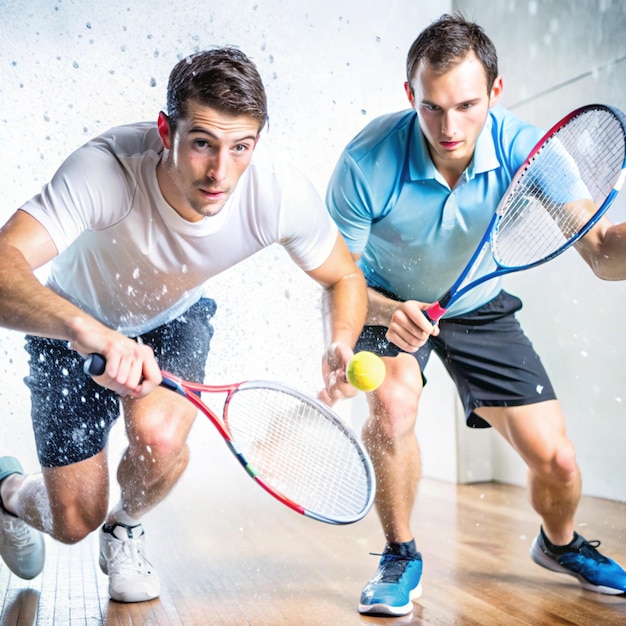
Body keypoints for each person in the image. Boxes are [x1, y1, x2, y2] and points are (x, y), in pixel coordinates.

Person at [0, 47, 367, 603]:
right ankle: (7, 490)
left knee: (162, 438)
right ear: (166, 130)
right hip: (71, 321)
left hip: (173, 319)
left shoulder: (276, 192)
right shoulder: (109, 170)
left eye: (240, 147)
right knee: (74, 518)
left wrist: (340, 340)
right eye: (202, 143)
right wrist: (87, 331)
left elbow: (345, 278)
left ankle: (123, 530)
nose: (220, 171)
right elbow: (5, 266)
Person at [325, 14, 626, 618]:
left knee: (559, 461)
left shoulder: (532, 151)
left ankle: (559, 544)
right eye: (432, 108)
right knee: (392, 406)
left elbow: (601, 255)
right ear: (410, 94)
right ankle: (399, 552)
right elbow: (340, 276)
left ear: (496, 91)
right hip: (383, 296)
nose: (448, 126)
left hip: (475, 304)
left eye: (466, 105)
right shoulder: (366, 160)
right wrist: (380, 314)